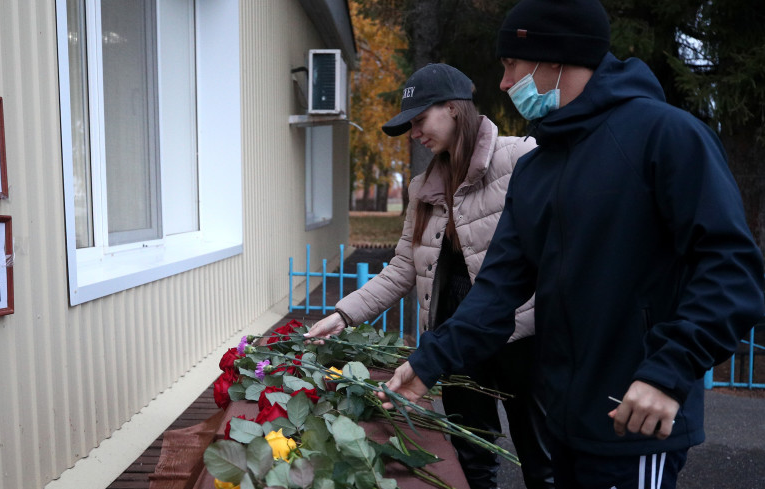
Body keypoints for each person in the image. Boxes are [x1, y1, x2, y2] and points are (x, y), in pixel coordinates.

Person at [376, 0, 765, 488]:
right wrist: (427, 364)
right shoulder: (537, 168)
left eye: (512, 65)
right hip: (561, 422)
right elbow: (496, 290)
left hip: (633, 421)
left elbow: (731, 270)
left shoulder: (667, 136)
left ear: (556, 58)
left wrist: (668, 370)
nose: (503, 83)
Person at [305, 63, 554, 489]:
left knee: (542, 460)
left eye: (420, 119)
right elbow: (403, 267)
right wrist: (343, 315)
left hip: (523, 339)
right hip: (454, 341)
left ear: (453, 108)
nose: (415, 133)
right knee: (471, 458)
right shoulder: (422, 188)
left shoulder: (520, 159)